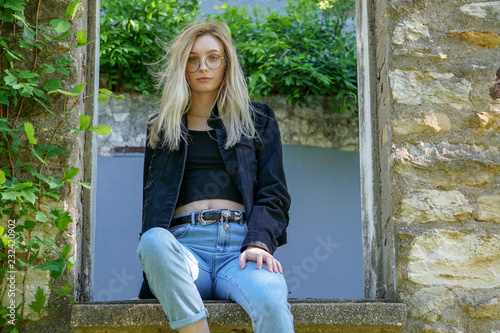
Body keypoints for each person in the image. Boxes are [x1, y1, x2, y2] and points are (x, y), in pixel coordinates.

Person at [136, 21, 294, 333]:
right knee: (152, 240)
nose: (202, 67)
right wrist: (159, 269)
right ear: (182, 66)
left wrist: (260, 242)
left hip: (240, 252)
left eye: (213, 58)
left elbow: (274, 192)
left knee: (271, 301)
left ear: (227, 63)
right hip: (185, 251)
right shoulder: (162, 127)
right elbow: (152, 205)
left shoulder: (257, 120)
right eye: (192, 59)